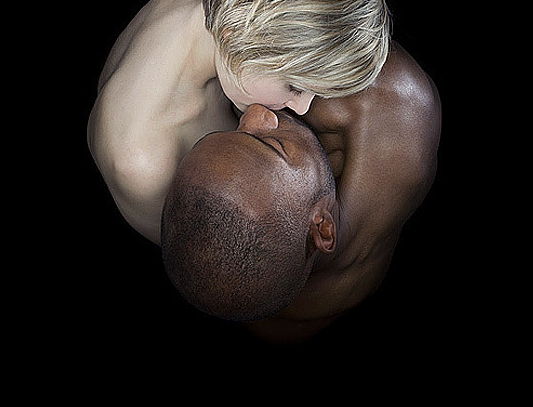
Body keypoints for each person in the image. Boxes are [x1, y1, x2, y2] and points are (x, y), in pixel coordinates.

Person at [88, 0, 391, 244]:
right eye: (294, 86)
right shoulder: (144, 162)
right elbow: (211, 256)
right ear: (236, 33)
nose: (303, 107)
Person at [162, 39, 440, 342]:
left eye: (230, 133)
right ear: (323, 227)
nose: (251, 115)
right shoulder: (391, 98)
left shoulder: (275, 310)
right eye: (273, 146)